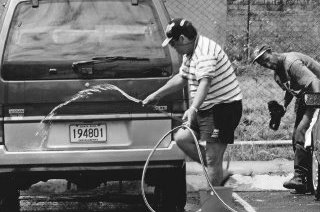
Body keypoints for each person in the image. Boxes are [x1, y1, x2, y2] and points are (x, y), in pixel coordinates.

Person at [142, 18, 243, 186]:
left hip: (222, 109)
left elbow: (205, 82)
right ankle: (218, 171)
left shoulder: (204, 53)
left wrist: (193, 108)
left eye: (173, 43)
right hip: (205, 107)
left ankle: (214, 201)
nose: (173, 47)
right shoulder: (190, 52)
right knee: (182, 138)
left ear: (182, 39)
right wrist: (156, 95)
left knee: (212, 157)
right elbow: (182, 77)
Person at [252, 45, 320, 194]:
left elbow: (314, 82)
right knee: (296, 136)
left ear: (271, 51)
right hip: (306, 97)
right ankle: (306, 181)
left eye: (266, 59)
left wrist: (316, 107)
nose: (267, 64)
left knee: (303, 132)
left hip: (316, 94)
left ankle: (301, 178)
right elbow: (292, 88)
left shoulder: (291, 62)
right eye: (262, 64)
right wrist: (283, 106)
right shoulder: (278, 74)